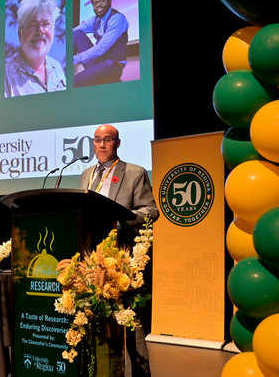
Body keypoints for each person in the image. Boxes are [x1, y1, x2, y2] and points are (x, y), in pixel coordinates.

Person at [80, 124, 159, 377]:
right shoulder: (87, 174)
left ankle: (140, 372)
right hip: (91, 254)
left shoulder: (134, 172)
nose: (102, 144)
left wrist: (121, 220)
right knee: (92, 313)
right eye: (97, 140)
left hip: (122, 255)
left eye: (107, 140)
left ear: (118, 143)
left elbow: (151, 210)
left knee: (130, 319)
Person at [4, 0, 66, 97]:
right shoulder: (6, 74)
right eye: (33, 25)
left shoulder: (57, 68)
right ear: (20, 34)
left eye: (46, 24)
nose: (40, 30)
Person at [73, 0, 129, 85]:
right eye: (95, 3)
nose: (98, 5)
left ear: (110, 1)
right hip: (98, 62)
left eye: (102, 1)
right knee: (76, 34)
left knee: (73, 82)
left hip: (112, 66)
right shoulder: (95, 20)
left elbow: (101, 48)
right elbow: (73, 32)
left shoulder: (117, 19)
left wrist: (75, 59)